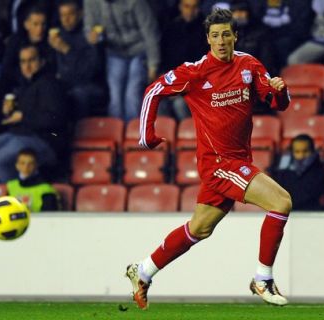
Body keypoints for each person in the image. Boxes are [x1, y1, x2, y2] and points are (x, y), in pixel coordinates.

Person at [125, 9, 292, 309]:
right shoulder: (195, 71)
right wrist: (146, 136)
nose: (221, 40)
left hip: (238, 160)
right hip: (219, 163)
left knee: (199, 228)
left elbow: (277, 103)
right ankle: (262, 279)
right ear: (207, 39)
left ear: (235, 36)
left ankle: (144, 270)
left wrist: (281, 90)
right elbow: (154, 91)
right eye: (215, 35)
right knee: (281, 203)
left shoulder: (249, 65)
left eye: (226, 34)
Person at [0, 44, 68, 183]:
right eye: (23, 61)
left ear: (42, 61)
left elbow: (55, 119)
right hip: (18, 134)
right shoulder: (24, 86)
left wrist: (23, 117)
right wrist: (7, 112)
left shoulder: (50, 84)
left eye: (31, 60)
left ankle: (19, 197)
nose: (27, 66)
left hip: (45, 140)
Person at [84, 0, 160, 122]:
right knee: (115, 98)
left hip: (138, 50)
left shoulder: (135, 2)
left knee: (132, 94)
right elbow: (89, 28)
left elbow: (149, 32)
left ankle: (133, 136)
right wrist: (93, 36)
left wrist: (153, 64)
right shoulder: (91, 2)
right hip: (114, 52)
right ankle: (117, 135)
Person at [49, 0, 106, 120]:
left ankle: (81, 134)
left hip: (90, 85)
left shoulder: (89, 35)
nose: (66, 19)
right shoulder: (58, 36)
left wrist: (67, 50)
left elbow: (89, 72)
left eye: (70, 14)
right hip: (66, 84)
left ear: (80, 14)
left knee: (79, 94)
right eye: (62, 15)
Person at [158, 0, 207, 122]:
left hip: (196, 85)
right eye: (187, 7)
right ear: (180, 7)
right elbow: (165, 62)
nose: (190, 11)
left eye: (194, 7)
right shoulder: (171, 29)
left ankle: (191, 136)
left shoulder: (207, 31)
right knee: (158, 102)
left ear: (199, 8)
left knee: (179, 105)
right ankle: (165, 139)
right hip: (173, 81)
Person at [1, 5, 55, 90]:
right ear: (26, 25)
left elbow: (53, 68)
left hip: (44, 86)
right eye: (35, 24)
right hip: (18, 86)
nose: (40, 29)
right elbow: (6, 69)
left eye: (43, 24)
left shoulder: (51, 42)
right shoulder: (15, 41)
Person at [274, 134, 324, 211]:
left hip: (313, 213)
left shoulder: (321, 169)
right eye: (297, 152)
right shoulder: (284, 172)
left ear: (313, 151)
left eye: (305, 151)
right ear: (292, 153)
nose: (301, 155)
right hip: (290, 214)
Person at [6, 148, 59, 212]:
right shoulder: (11, 186)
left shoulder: (46, 189)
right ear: (17, 165)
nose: (26, 167)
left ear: (36, 165)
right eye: (22, 163)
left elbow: (50, 217)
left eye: (30, 163)